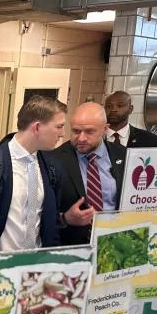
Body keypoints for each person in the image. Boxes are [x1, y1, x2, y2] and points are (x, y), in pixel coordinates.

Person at [0, 95, 66, 258]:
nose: (62, 134)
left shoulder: (51, 167)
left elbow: (50, 222)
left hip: (35, 267)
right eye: (59, 126)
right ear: (37, 127)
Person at [48, 102, 127, 246]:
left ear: (105, 129)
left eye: (89, 132)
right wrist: (65, 218)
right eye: (76, 131)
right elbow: (41, 214)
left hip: (116, 244)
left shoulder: (123, 155)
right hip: (71, 248)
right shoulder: (53, 160)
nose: (81, 138)